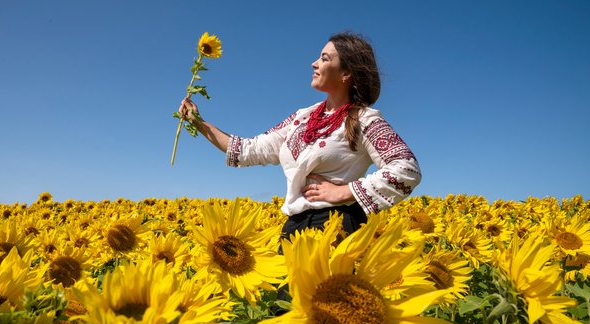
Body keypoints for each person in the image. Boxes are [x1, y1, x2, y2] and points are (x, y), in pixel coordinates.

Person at [178, 32, 422, 240]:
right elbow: (248, 150)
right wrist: (198, 123)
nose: (314, 63)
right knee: (286, 296)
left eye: (324, 58)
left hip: (337, 226)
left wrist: (345, 192)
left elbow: (406, 169)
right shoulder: (301, 118)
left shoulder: (365, 119)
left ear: (346, 73)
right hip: (294, 226)